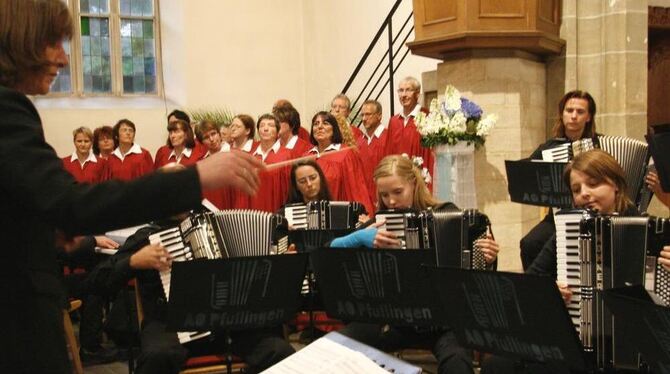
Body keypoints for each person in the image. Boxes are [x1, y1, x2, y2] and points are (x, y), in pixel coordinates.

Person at [0, 1, 264, 371]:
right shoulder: (7, 108)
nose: (63, 58)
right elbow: (72, 203)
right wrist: (198, 176)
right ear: (23, 40)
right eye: (55, 42)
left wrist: (45, 226)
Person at [81, 164, 294, 374]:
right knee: (158, 357)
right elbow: (96, 282)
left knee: (279, 351)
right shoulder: (146, 236)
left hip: (228, 322)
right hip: (169, 324)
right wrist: (133, 261)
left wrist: (278, 256)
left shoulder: (216, 222)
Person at [331, 155, 499, 374]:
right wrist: (358, 238)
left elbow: (478, 278)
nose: (391, 201)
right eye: (384, 195)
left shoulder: (448, 213)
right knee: (337, 346)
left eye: (397, 192)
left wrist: (487, 258)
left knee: (457, 362)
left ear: (413, 183)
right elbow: (330, 250)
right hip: (394, 320)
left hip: (444, 323)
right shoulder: (379, 224)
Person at [481, 149, 634, 374]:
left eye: (593, 184)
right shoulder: (569, 229)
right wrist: (549, 293)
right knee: (497, 364)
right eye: (576, 189)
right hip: (574, 340)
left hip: (626, 349)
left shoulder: (646, 231)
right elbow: (529, 283)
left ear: (616, 184)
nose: (584, 194)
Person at [520, 90, 598, 270]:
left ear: (588, 117)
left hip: (593, 213)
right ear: (562, 114)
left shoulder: (599, 145)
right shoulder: (549, 148)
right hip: (556, 216)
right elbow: (527, 174)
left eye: (580, 112)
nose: (574, 116)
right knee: (529, 243)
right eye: (569, 111)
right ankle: (542, 292)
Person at [305, 111, 374, 215]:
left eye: (325, 123)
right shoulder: (305, 157)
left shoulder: (345, 154)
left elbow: (357, 189)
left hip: (337, 216)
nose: (319, 127)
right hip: (309, 218)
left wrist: (364, 215)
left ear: (334, 129)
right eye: (316, 123)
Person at [385, 76, 434, 189]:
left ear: (417, 94)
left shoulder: (426, 117)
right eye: (401, 90)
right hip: (397, 180)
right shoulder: (394, 121)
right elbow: (388, 153)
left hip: (419, 180)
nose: (404, 95)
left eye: (408, 90)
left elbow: (429, 155)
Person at [249, 114, 292, 212]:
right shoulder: (251, 157)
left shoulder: (287, 156)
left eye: (270, 125)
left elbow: (289, 190)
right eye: (262, 125)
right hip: (253, 213)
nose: (265, 129)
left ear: (278, 132)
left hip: (277, 211)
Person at [356, 100, 389, 206]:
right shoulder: (359, 142)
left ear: (379, 116)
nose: (364, 119)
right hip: (365, 198)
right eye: (362, 115)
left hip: (384, 196)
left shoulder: (388, 138)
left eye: (368, 114)